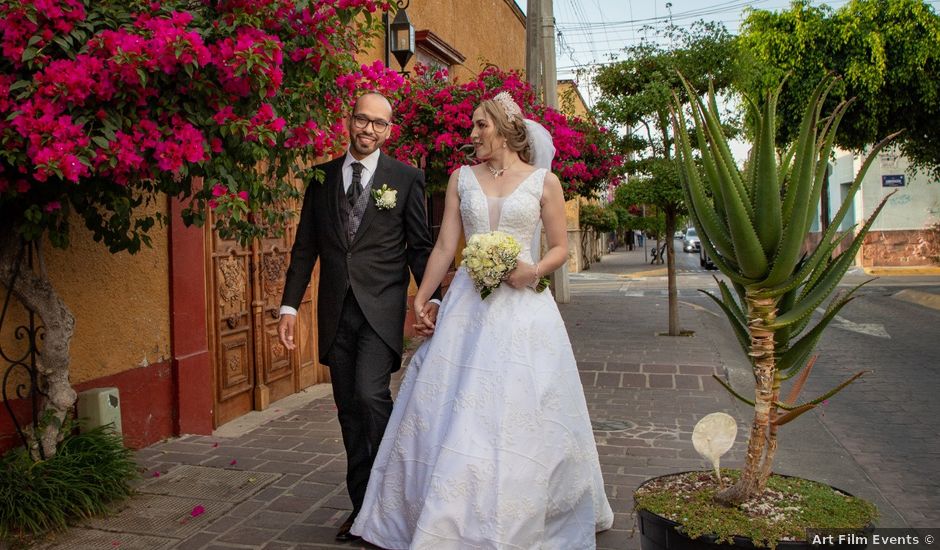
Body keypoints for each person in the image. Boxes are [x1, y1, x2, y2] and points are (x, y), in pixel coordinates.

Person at [351, 92, 614, 548]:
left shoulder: (543, 182)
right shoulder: (460, 179)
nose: (472, 135)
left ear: (506, 129)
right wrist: (423, 297)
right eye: (471, 126)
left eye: (480, 126)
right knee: (457, 411)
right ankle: (448, 511)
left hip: (524, 310)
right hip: (468, 309)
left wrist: (529, 271)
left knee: (520, 409)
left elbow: (559, 248)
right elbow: (443, 247)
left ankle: (523, 507)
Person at [278, 92, 440, 542]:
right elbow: (305, 246)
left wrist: (431, 301)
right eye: (361, 120)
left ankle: (394, 497)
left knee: (371, 398)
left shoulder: (406, 179)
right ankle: (362, 509)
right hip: (336, 313)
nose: (368, 130)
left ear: (389, 130)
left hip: (381, 312)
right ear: (348, 122)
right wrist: (289, 306)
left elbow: (419, 248)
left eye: (378, 124)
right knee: (349, 411)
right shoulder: (320, 176)